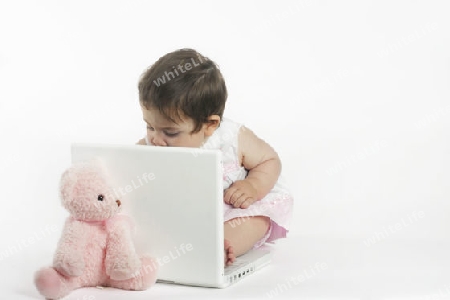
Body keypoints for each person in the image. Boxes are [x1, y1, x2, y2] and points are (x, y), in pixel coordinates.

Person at [136, 48, 293, 266]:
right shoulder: (152, 142)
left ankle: (217, 249)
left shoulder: (231, 138)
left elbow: (269, 160)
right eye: (149, 126)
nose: (155, 138)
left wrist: (253, 186)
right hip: (184, 214)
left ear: (210, 125)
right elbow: (131, 164)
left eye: (170, 132)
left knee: (254, 221)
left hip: (231, 210)